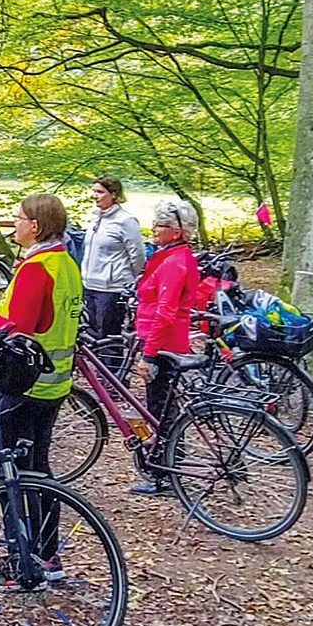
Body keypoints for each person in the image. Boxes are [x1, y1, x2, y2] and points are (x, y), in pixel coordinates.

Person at [0, 193, 82, 580]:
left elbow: (17, 331)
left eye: (18, 218)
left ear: (35, 226)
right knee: (39, 469)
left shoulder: (36, 268)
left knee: (16, 476)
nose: (14, 224)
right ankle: (48, 555)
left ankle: (21, 562)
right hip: (55, 383)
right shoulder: (67, 264)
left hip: (24, 386)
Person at [133, 199, 201, 494]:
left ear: (176, 232)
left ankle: (165, 474)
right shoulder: (172, 257)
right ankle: (165, 468)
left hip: (164, 345)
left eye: (160, 225)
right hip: (164, 340)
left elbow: (165, 312)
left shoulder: (174, 263)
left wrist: (149, 353)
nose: (153, 229)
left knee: (161, 410)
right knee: (162, 407)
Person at [81, 175, 145, 338]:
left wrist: (126, 280)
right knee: (91, 334)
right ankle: (95, 364)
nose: (95, 195)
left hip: (111, 288)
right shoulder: (96, 218)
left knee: (108, 335)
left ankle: (111, 364)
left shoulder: (126, 221)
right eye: (94, 191)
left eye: (100, 192)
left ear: (114, 194)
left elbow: (137, 255)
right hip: (89, 285)